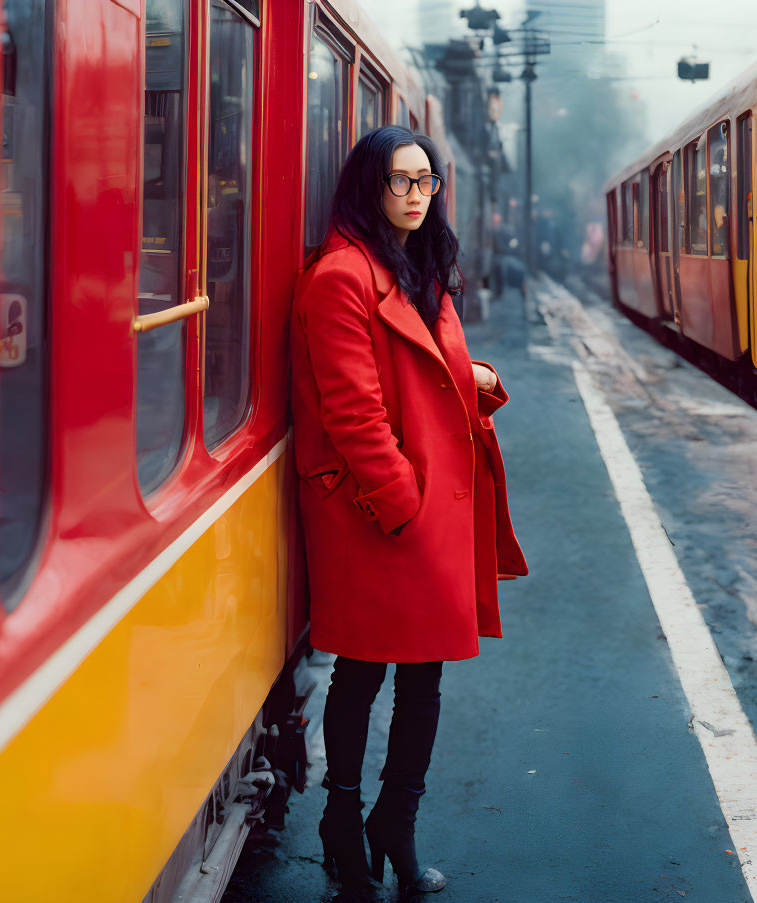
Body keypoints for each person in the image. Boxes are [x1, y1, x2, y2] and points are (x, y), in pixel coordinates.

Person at [290, 125, 528, 900]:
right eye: (401, 180)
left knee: (423, 675)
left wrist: (477, 379)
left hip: (420, 503)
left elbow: (426, 370)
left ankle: (394, 823)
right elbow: (352, 411)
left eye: (426, 180)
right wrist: (402, 506)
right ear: (370, 186)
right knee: (362, 671)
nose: (417, 194)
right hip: (379, 509)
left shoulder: (421, 265)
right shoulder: (340, 276)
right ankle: (343, 822)